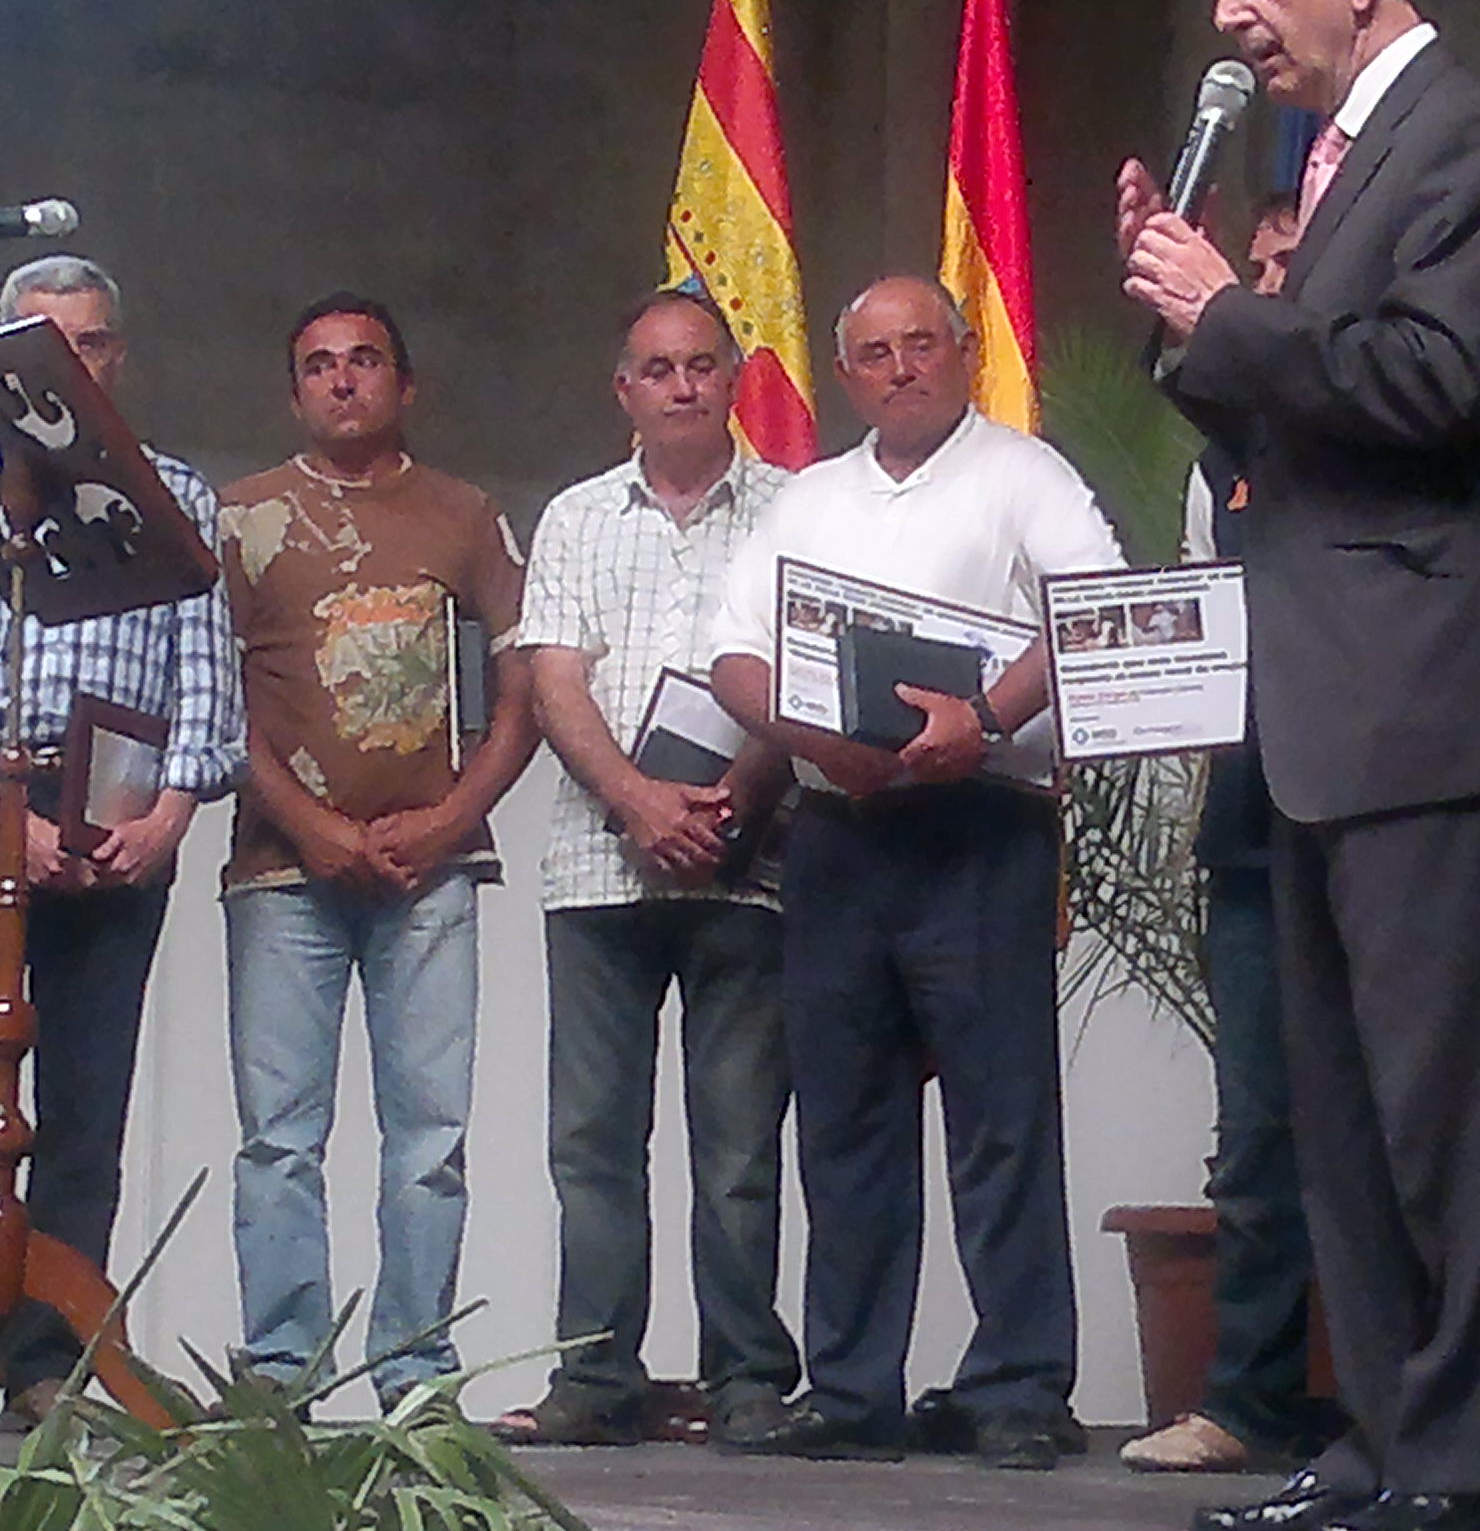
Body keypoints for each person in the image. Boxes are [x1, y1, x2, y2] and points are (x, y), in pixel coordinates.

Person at [1118, 0, 1480, 1531]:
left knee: (1448, 1112)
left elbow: (1438, 386)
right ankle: (1383, 1443)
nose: (1226, 13)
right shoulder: (1336, 156)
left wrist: (1232, 313)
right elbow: (1303, 424)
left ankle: (1476, 1459)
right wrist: (1186, 319)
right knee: (1349, 1116)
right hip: (1321, 707)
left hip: (1428, 704)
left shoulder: (1471, 137)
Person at [708, 275, 1124, 1472]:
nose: (901, 369)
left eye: (921, 344)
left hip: (981, 823)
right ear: (846, 374)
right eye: (876, 353)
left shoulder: (1024, 474)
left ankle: (1018, 1388)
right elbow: (733, 655)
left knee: (1000, 1119)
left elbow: (1092, 605)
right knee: (845, 1122)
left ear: (965, 349)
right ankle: (850, 1390)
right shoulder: (808, 497)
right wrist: (807, 737)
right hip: (841, 834)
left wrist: (982, 722)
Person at [495, 288, 802, 1452]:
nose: (681, 386)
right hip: (599, 868)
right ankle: (595, 1377)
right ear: (622, 388)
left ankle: (748, 1380)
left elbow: (803, 673)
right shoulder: (576, 516)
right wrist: (637, 800)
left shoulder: (795, 507)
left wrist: (734, 799)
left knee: (738, 1150)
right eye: (657, 369)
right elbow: (553, 678)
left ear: (734, 379)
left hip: (747, 862)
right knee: (591, 1146)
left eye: (701, 365)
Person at [217, 293, 537, 1407]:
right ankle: (280, 1374)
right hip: (281, 872)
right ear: (294, 392)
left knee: (430, 1139)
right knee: (278, 1141)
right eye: (319, 365)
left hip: (433, 874)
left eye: (364, 360)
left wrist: (448, 820)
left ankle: (415, 1375)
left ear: (406, 385)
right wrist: (314, 827)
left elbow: (525, 690)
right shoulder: (241, 518)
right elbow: (215, 697)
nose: (343, 379)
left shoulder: (466, 515)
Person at [1124, 196, 1346, 1477]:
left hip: (1377, 816)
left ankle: (1408, 1403)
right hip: (1253, 823)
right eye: (1249, 267)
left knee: (1398, 1122)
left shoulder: (1384, 433)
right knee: (1257, 1125)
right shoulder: (1219, 462)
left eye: (1282, 265)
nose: (1257, 284)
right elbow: (1196, 627)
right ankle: (1250, 1399)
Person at [0, 257, 242, 1422]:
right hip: (5, 804)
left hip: (123, 815)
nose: (69, 365)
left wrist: (171, 813)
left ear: (118, 355)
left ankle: (45, 1357)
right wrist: (13, 822)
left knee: (86, 1104)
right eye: (41, 346)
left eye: (88, 343)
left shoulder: (171, 493)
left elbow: (211, 676)